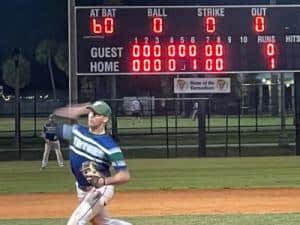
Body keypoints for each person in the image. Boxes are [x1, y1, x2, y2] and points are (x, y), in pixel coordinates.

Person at [53, 101, 132, 225]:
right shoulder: (77, 131)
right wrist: (78, 111)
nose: (91, 116)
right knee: (102, 222)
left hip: (100, 190)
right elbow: (52, 127)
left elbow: (124, 175)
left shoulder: (110, 146)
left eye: (96, 114)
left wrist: (104, 181)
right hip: (82, 189)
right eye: (90, 113)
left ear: (105, 119)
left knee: (75, 222)